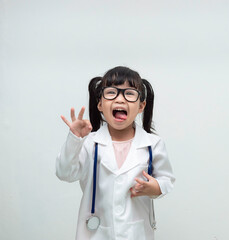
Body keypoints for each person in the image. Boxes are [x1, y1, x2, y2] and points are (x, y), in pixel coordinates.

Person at [56, 66, 175, 240]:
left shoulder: (153, 144)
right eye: (111, 93)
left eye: (129, 93)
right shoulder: (90, 143)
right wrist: (74, 139)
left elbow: (167, 180)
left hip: (136, 233)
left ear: (141, 105)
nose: (120, 99)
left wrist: (154, 188)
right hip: (96, 233)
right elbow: (65, 173)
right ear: (100, 104)